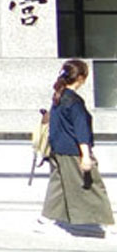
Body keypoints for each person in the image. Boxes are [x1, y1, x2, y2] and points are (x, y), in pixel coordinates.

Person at [40, 59, 114, 231]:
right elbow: (80, 129)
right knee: (91, 184)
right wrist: (86, 155)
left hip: (57, 148)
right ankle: (108, 223)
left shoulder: (59, 97)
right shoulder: (74, 101)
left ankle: (46, 219)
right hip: (73, 150)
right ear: (81, 78)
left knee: (58, 184)